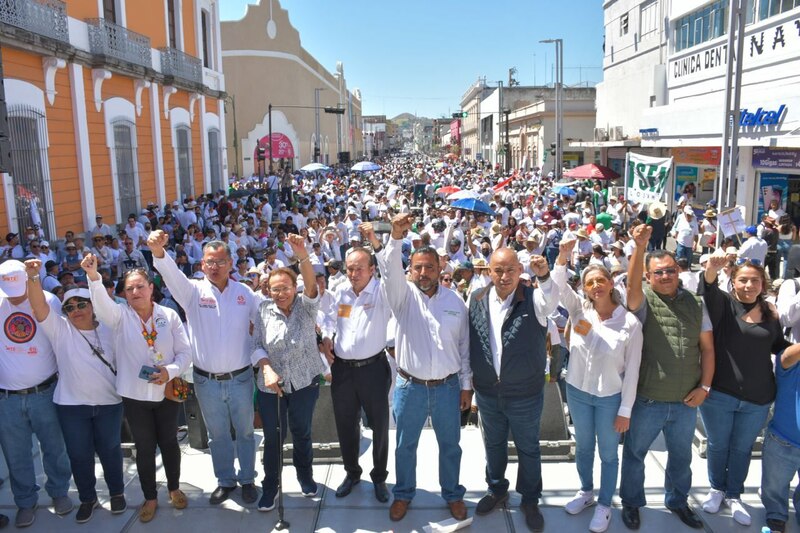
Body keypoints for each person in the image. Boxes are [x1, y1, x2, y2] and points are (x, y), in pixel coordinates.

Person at [149, 230, 261, 506]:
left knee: (246, 432)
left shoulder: (244, 293)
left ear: (231, 263)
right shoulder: (192, 292)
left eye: (221, 261)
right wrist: (159, 252)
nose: (215, 267)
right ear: (202, 265)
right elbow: (171, 275)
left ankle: (247, 479)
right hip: (206, 381)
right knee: (218, 435)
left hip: (241, 379)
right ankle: (225, 481)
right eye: (209, 262)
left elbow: (263, 323)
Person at [376, 213, 471, 523]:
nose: (424, 272)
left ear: (440, 268)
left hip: (447, 387)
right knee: (405, 446)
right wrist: (395, 237)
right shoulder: (402, 298)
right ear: (410, 270)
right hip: (410, 387)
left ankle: (453, 495)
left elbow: (464, 348)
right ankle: (403, 494)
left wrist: (466, 386)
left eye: (430, 267)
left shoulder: (456, 302)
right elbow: (389, 272)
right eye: (417, 267)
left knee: (450, 446)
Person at [620, 225, 715, 531]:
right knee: (635, 454)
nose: (665, 276)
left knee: (680, 458)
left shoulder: (696, 303)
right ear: (649, 276)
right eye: (658, 272)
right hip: (648, 398)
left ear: (679, 271)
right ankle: (632, 503)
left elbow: (708, 349)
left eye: (670, 270)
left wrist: (705, 387)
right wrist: (639, 247)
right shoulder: (642, 301)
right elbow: (631, 287)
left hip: (686, 400)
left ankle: (678, 501)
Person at [83, 255, 191, 523]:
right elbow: (101, 304)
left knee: (169, 443)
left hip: (166, 393)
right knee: (144, 447)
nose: (135, 292)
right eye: (129, 289)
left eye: (140, 286)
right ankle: (150, 497)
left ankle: (174, 487)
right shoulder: (119, 316)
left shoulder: (169, 315)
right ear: (124, 294)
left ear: (151, 287)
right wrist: (93, 276)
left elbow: (186, 352)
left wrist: (170, 371)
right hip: (134, 396)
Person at [23, 261, 126, 524]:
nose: (76, 310)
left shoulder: (111, 328)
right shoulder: (59, 329)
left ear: (92, 305)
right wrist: (33, 276)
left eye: (81, 304)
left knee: (111, 450)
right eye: (69, 307)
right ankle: (87, 499)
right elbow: (38, 306)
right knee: (79, 455)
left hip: (109, 403)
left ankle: (116, 493)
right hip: (72, 407)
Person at [553, 240, 643, 533]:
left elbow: (632, 372)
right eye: (589, 282)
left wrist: (625, 410)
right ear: (585, 287)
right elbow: (558, 285)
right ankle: (586, 492)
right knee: (583, 447)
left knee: (607, 453)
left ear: (609, 282)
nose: (595, 286)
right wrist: (563, 256)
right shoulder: (580, 311)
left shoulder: (629, 323)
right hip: (578, 392)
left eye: (600, 280)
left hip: (609, 398)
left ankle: (605, 504)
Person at [467, 244, 556, 532]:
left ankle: (530, 499)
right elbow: (471, 344)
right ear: (488, 272)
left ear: (520, 270)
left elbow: (552, 302)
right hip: (489, 392)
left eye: (510, 270)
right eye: (498, 270)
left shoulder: (534, 299)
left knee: (528, 448)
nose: (504, 276)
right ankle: (497, 490)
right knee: (493, 445)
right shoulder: (477, 298)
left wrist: (544, 277)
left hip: (525, 394)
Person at [699, 253, 789, 526]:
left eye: (755, 280)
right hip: (720, 394)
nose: (749, 285)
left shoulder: (772, 314)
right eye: (743, 280)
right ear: (733, 283)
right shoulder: (723, 306)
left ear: (763, 284)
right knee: (717, 445)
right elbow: (708, 289)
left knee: (741, 448)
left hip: (758, 397)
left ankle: (734, 494)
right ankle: (717, 489)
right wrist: (712, 270)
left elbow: (778, 347)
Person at [251, 234, 325, 512]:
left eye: (285, 288)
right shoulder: (263, 310)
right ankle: (270, 486)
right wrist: (267, 368)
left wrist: (302, 254)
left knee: (302, 432)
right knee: (273, 437)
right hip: (271, 387)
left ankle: (305, 476)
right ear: (267, 291)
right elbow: (256, 345)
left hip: (305, 382)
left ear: (295, 288)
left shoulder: (307, 308)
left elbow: (311, 285)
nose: (279, 293)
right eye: (274, 289)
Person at [320, 223, 392, 503]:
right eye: (349, 268)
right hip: (343, 370)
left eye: (359, 268)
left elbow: (392, 269)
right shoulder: (340, 291)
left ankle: (379, 477)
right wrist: (326, 336)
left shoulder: (382, 291)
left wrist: (374, 241)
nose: (353, 274)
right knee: (346, 424)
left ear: (372, 269)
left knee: (379, 426)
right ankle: (352, 472)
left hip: (373, 369)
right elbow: (327, 317)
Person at [0, 260, 73, 528]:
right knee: (16, 454)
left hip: (45, 391)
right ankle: (25, 502)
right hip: (6, 397)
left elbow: (60, 341)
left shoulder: (49, 301)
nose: (15, 297)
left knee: (54, 447)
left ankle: (59, 492)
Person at [759, 337, 800, 533]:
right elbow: (785, 355)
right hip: (782, 442)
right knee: (774, 487)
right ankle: (776, 515)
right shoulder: (791, 363)